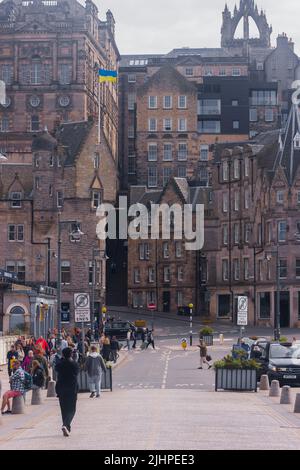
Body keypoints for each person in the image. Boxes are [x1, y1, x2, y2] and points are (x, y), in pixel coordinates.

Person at [55, 347, 79, 437]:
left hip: (61, 389)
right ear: (71, 354)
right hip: (72, 389)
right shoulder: (74, 364)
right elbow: (77, 372)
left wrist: (62, 359)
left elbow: (56, 368)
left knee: (64, 409)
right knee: (72, 409)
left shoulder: (60, 364)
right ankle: (66, 425)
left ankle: (66, 427)